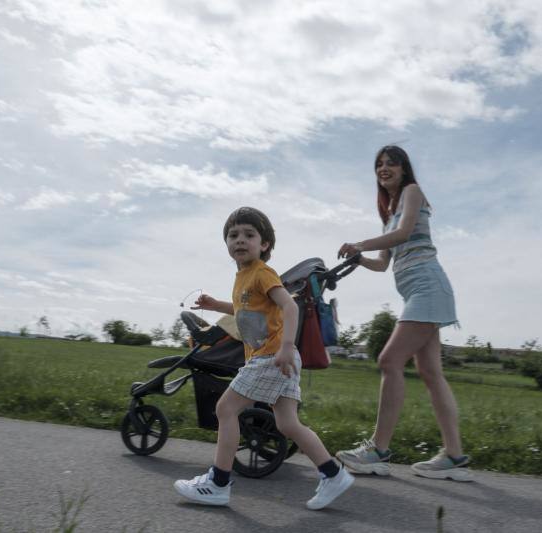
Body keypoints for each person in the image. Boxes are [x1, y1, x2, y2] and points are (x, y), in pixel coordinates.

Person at [173, 206, 355, 508]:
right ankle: (333, 473)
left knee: (225, 409)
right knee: (287, 424)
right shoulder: (243, 277)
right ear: (227, 244)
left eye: (249, 235)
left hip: (272, 356)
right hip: (279, 358)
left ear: (264, 244)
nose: (239, 240)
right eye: (233, 235)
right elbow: (245, 311)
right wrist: (215, 304)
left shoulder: (261, 272)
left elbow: (291, 307)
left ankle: (218, 483)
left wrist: (284, 347)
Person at [335, 145, 470, 481]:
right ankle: (453, 455)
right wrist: (359, 259)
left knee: (389, 361)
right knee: (430, 372)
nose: (384, 168)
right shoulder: (389, 213)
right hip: (418, 292)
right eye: (379, 164)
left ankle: (377, 450)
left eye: (391, 163)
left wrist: (360, 244)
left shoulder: (412, 192)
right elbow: (383, 265)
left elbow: (406, 232)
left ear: (404, 168)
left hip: (428, 287)